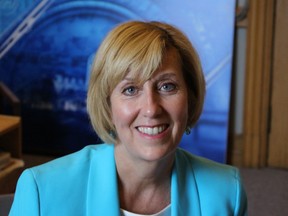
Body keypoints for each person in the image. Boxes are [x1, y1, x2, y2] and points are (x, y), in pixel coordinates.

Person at [10, 21, 247, 216]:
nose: (151, 109)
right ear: (107, 103)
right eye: (130, 90)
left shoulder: (227, 192)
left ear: (191, 97)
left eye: (167, 86)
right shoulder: (42, 191)